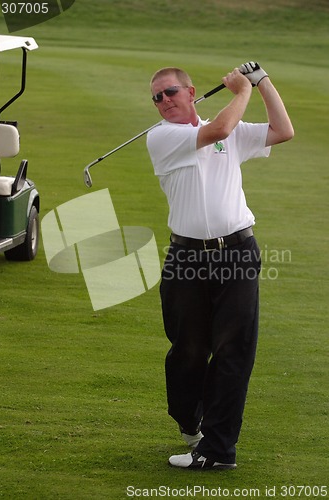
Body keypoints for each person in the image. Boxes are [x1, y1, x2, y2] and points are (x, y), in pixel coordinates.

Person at [146, 62, 294, 470]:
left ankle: (217, 450)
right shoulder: (163, 137)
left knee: (235, 351)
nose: (163, 102)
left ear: (192, 92)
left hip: (237, 253)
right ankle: (189, 422)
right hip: (187, 258)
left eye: (170, 92)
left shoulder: (228, 127)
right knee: (188, 350)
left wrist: (262, 83)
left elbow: (283, 131)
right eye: (157, 97)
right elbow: (217, 132)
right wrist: (241, 91)